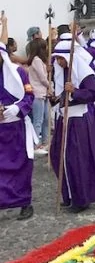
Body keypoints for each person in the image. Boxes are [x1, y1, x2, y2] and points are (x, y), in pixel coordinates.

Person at [50, 40, 95, 212]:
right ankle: (68, 194)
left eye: (60, 59)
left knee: (76, 160)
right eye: (56, 59)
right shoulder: (60, 72)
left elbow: (92, 94)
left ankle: (81, 198)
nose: (58, 62)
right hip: (62, 119)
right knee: (58, 157)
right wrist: (54, 98)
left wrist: (75, 91)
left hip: (77, 121)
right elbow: (60, 96)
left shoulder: (84, 72)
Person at [0, 34, 35, 220]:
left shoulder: (19, 73)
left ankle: (24, 202)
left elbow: (30, 97)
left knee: (20, 166)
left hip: (15, 129)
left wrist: (15, 109)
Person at [26, 39, 51, 155]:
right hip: (38, 93)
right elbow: (42, 78)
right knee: (38, 120)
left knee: (46, 119)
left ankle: (45, 142)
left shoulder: (40, 61)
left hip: (44, 93)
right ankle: (36, 144)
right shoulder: (36, 60)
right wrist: (50, 87)